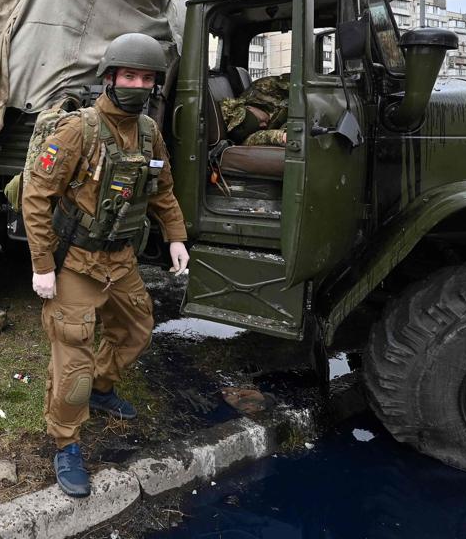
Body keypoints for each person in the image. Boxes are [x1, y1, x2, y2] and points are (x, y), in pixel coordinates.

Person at [20, 33, 189, 498]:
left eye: (147, 77)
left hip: (120, 259)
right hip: (75, 261)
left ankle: (103, 386)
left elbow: (162, 190)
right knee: (72, 360)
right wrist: (42, 266)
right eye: (129, 75)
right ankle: (66, 441)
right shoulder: (80, 131)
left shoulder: (150, 131)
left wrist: (176, 236)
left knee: (136, 330)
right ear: (110, 78)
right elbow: (37, 196)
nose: (138, 84)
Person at [221, 73, 290, 146]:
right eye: (259, 127)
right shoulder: (246, 133)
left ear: (249, 108)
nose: (263, 125)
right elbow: (259, 137)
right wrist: (281, 136)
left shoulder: (262, 89)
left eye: (259, 120)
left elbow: (296, 83)